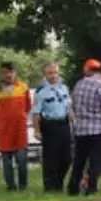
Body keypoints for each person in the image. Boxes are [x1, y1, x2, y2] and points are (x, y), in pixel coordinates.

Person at [69, 59, 101, 196]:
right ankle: (91, 188)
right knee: (95, 161)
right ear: (99, 71)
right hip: (97, 129)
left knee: (79, 160)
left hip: (81, 129)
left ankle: (73, 188)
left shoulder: (78, 85)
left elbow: (73, 105)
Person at [32, 62, 73, 192]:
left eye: (55, 72)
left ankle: (59, 182)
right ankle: (50, 187)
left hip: (64, 124)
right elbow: (36, 113)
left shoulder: (64, 88)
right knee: (51, 158)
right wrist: (37, 130)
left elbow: (68, 106)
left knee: (66, 158)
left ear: (59, 72)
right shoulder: (41, 91)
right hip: (50, 125)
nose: (53, 75)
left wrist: (74, 120)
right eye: (50, 73)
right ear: (45, 74)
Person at [0, 61, 32, 190]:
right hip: (4, 130)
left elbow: (27, 107)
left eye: (11, 72)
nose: (8, 75)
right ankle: (11, 186)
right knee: (7, 161)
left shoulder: (23, 87)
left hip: (19, 130)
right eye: (5, 72)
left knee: (21, 159)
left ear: (15, 73)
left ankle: (23, 186)